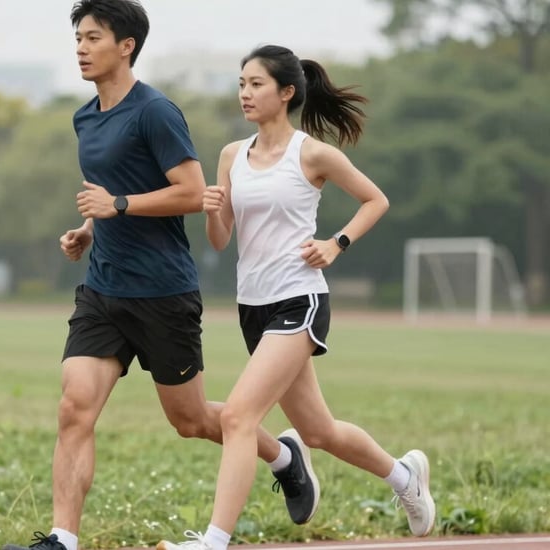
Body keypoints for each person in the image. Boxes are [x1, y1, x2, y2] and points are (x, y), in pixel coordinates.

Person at [1, 7, 319, 550]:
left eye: (93, 37)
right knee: (74, 406)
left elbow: (194, 193)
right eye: (77, 37)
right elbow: (110, 193)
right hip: (103, 290)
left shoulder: (155, 112)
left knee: (191, 420)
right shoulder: (85, 117)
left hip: (162, 291)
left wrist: (117, 205)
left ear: (126, 46)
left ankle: (285, 458)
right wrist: (88, 228)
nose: (80, 47)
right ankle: (61, 539)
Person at [157, 45, 436, 550]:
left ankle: (213, 541)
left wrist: (336, 243)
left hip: (299, 299)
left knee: (241, 416)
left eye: (256, 84)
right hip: (253, 306)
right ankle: (404, 477)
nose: (245, 92)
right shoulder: (230, 156)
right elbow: (221, 241)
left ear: (286, 93)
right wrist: (213, 210)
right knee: (318, 431)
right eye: (241, 83)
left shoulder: (312, 153)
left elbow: (376, 200)